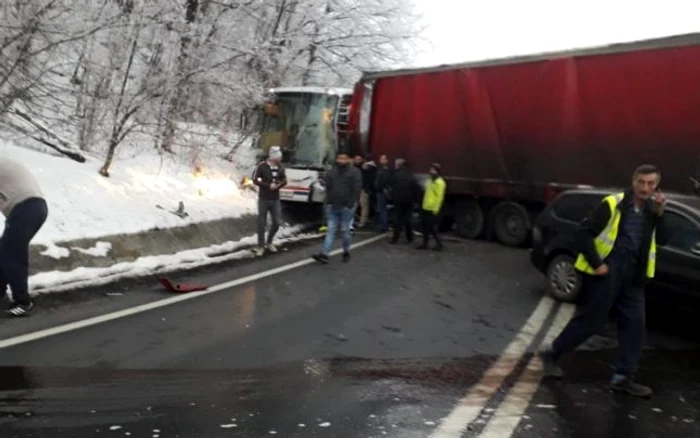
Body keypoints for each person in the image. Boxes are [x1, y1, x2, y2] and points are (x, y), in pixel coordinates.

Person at [540, 164, 669, 398]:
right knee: (591, 321)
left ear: (656, 185)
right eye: (641, 182)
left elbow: (664, 239)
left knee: (635, 327)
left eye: (651, 183)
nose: (645, 187)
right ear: (633, 181)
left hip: (634, 276)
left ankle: (623, 378)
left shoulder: (652, 210)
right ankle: (552, 353)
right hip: (610, 271)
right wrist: (597, 264)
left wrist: (661, 215)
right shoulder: (613, 204)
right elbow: (583, 233)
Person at [0, 158, 49, 317]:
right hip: (33, 207)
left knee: (12, 256)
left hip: (26, 208)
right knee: (5, 251)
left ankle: (23, 302)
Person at [312, 152, 362, 264]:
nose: (341, 160)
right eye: (339, 158)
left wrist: (350, 203)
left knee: (344, 230)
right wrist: (328, 201)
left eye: (343, 158)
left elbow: (356, 189)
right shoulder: (332, 172)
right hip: (333, 205)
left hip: (346, 206)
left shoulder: (354, 172)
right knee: (331, 230)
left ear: (349, 159)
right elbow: (327, 187)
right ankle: (325, 254)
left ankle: (346, 251)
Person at [252, 146, 287, 256]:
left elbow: (284, 180)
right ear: (273, 157)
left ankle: (269, 241)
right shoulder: (262, 166)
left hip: (275, 199)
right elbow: (255, 179)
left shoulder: (281, 167)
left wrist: (278, 185)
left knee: (276, 222)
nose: (280, 159)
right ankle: (260, 245)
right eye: (278, 157)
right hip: (263, 198)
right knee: (261, 223)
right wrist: (267, 185)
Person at [390, 158, 421, 244]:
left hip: (398, 200)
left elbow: (391, 186)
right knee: (408, 219)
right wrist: (416, 200)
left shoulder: (396, 175)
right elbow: (416, 189)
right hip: (409, 201)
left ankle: (395, 238)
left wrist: (393, 196)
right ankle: (409, 237)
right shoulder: (410, 175)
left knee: (398, 219)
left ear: (399, 165)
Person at [418, 163, 446, 251]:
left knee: (432, 227)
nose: (431, 171)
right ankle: (425, 243)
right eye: (430, 170)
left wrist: (436, 209)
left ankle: (439, 244)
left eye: (433, 170)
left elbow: (440, 197)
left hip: (432, 208)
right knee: (425, 227)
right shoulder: (430, 180)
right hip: (425, 206)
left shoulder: (440, 183)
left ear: (437, 171)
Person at [374, 154, 393, 233]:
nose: (381, 160)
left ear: (386, 160)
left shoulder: (384, 170)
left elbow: (383, 181)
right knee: (382, 209)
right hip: (381, 191)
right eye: (380, 159)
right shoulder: (381, 169)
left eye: (383, 159)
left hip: (382, 191)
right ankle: (383, 225)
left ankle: (383, 226)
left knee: (382, 209)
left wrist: (379, 187)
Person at [358, 154, 377, 228]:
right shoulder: (374, 167)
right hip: (371, 188)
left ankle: (363, 221)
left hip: (365, 188)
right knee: (367, 205)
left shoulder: (366, 167)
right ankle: (366, 219)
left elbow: (365, 178)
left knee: (364, 205)